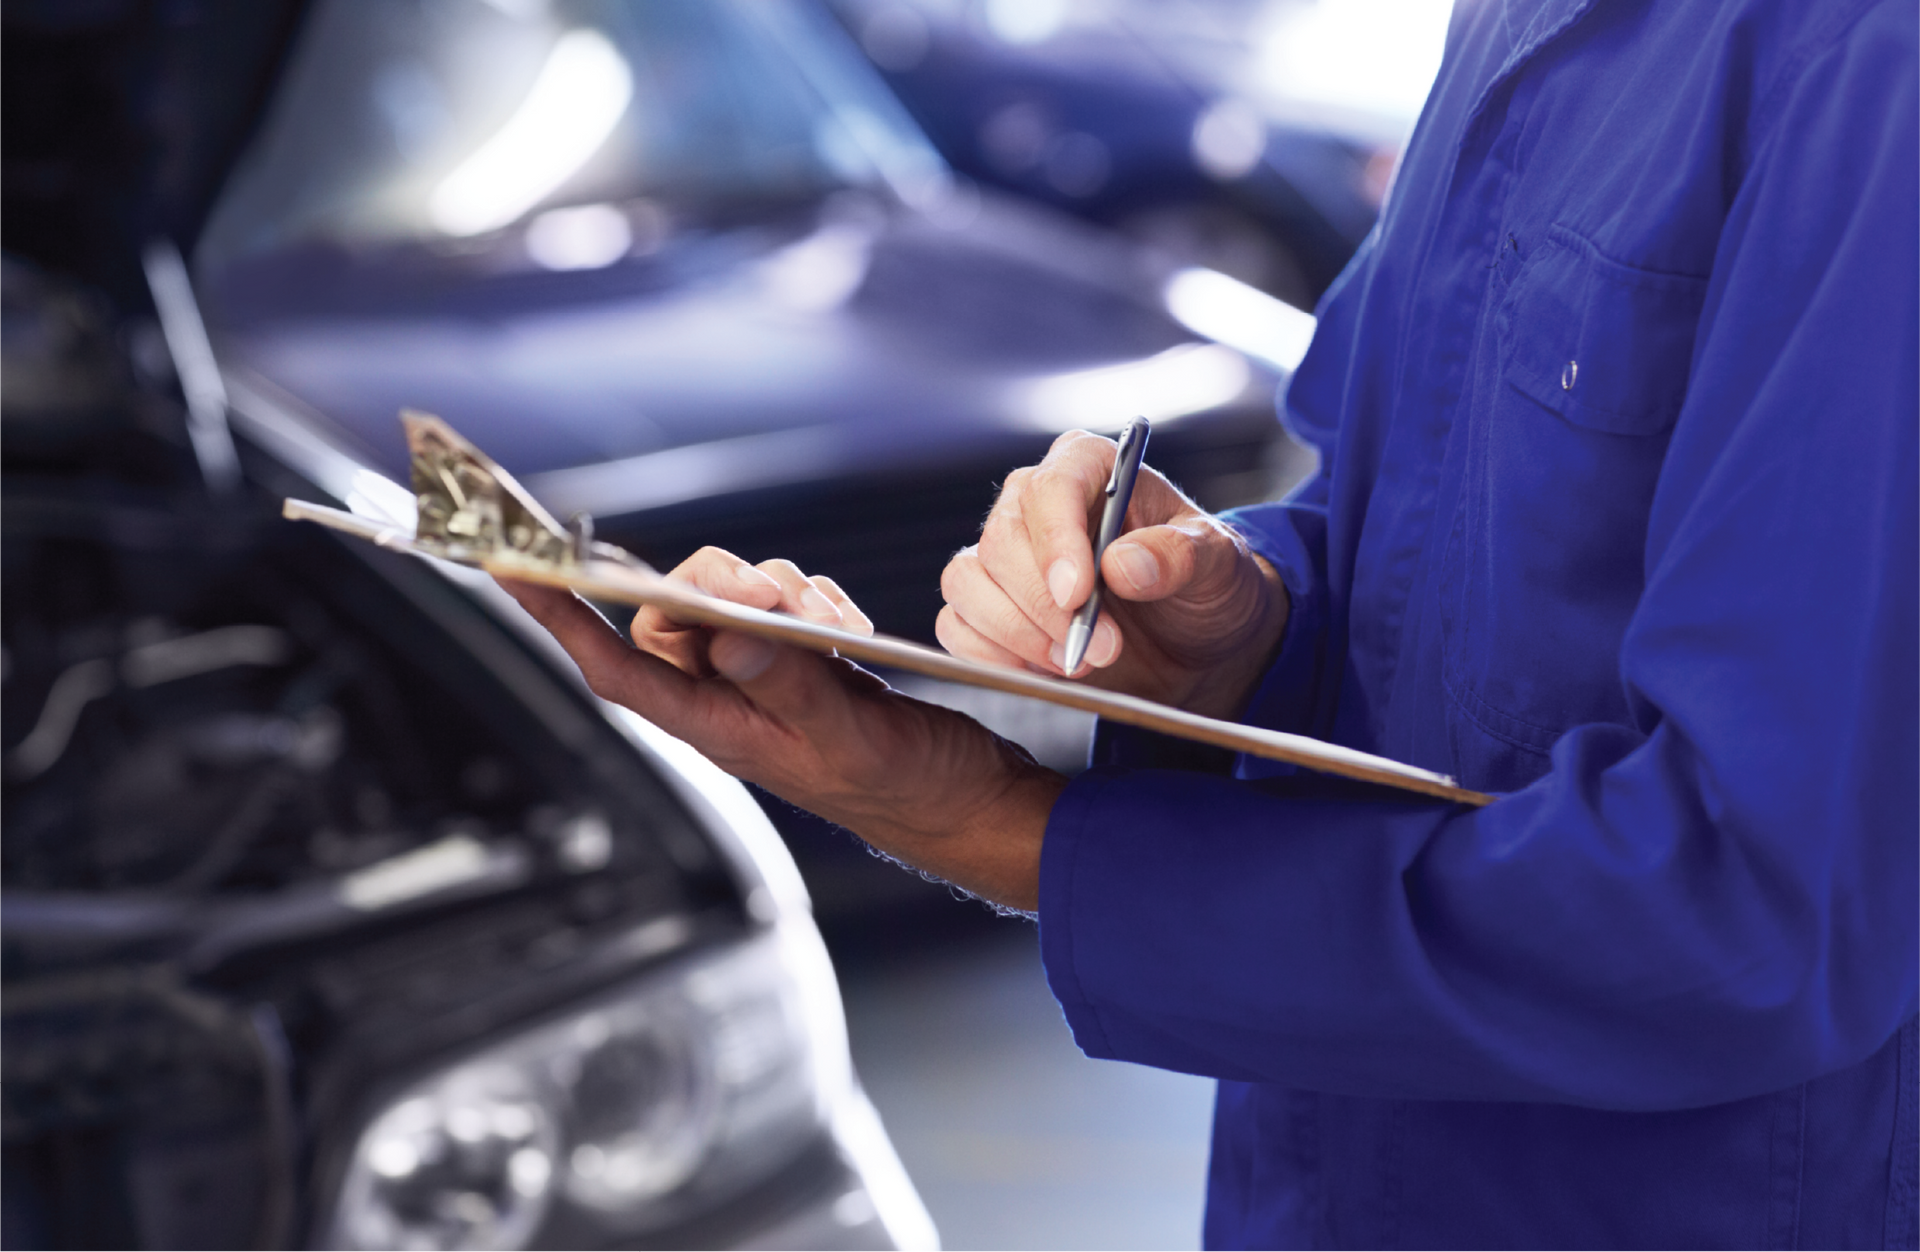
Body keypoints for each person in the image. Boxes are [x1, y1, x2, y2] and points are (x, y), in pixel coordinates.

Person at [503, 0, 1920, 1243]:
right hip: (1326, 1177)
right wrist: (1235, 616)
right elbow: (1415, 529)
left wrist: (1006, 836)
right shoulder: (1516, 23)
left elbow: (1760, 905)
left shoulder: (1868, 61)